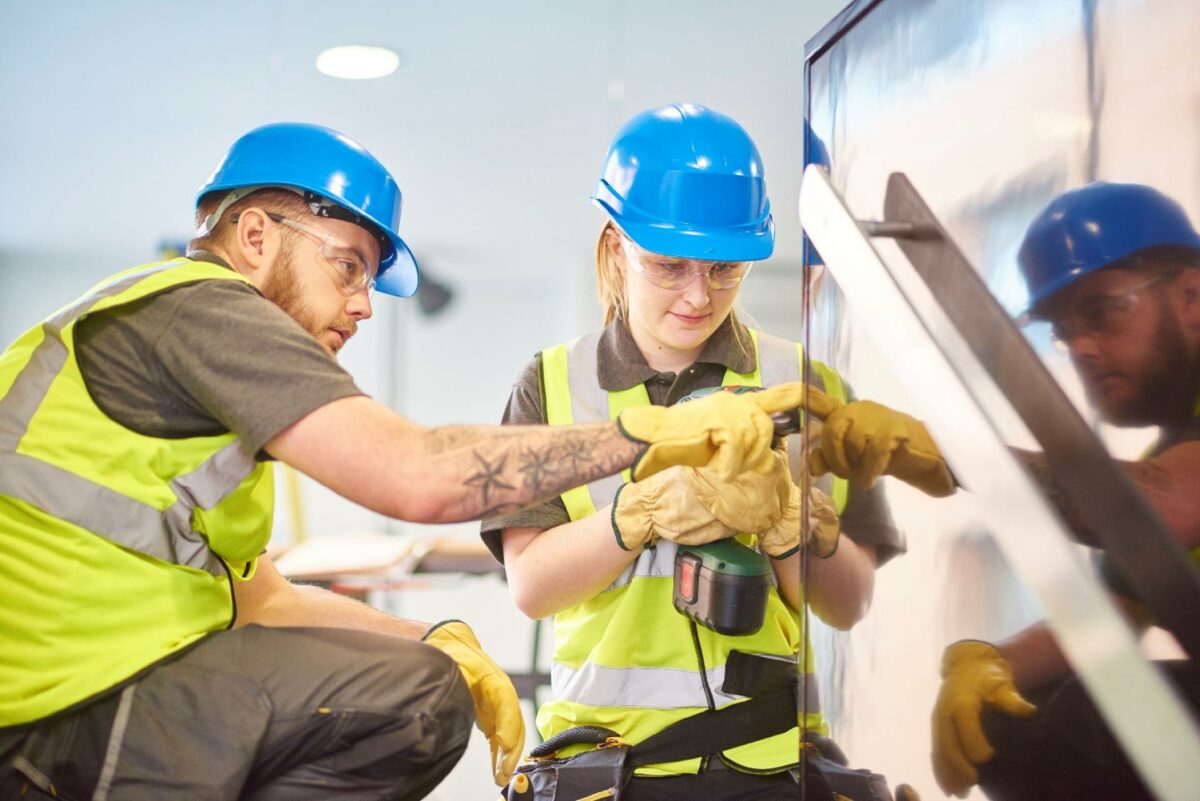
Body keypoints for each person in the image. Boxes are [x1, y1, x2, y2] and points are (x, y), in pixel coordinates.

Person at [0, 121, 809, 801]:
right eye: (348, 264)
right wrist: (650, 439)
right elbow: (420, 474)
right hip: (60, 712)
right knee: (414, 701)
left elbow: (257, 597)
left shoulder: (175, 360)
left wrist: (438, 632)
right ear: (254, 236)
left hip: (71, 697)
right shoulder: (206, 308)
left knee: (420, 670)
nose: (361, 303)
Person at [480, 104, 903, 800]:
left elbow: (850, 604)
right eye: (669, 266)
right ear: (617, 247)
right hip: (611, 766)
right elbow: (531, 586)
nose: (699, 295)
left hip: (767, 763)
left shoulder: (804, 384)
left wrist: (786, 523)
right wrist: (637, 514)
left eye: (725, 268)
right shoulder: (551, 385)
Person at [924, 182, 1200, 799]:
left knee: (1089, 719)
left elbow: (1162, 510)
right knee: (1021, 716)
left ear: (1192, 294)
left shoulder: (1170, 477)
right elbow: (1105, 624)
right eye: (1062, 328)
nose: (1080, 346)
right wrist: (988, 662)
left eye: (1102, 311)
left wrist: (944, 453)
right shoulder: (1173, 453)